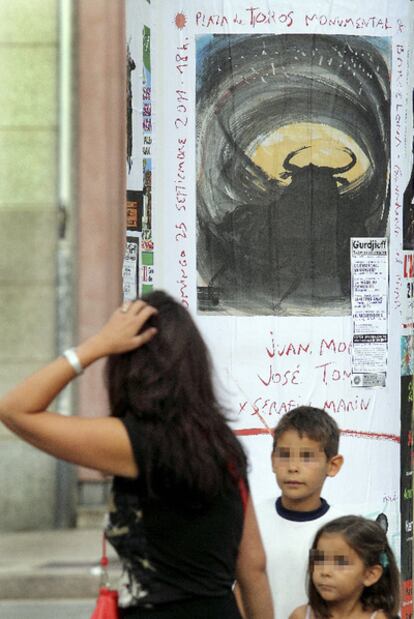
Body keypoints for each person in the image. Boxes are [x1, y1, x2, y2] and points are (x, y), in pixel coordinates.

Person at [0, 291, 273, 619]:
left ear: (128, 366)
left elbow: (15, 410)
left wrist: (97, 345)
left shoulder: (136, 441)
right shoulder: (222, 443)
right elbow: (253, 566)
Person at [255, 406, 344, 618]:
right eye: (284, 455)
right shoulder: (252, 520)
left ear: (332, 465)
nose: (293, 467)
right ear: (272, 460)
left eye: (307, 457)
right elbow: (239, 586)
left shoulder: (343, 530)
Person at [289, 515, 400, 619]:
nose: (325, 572)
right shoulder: (301, 616)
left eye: (340, 563)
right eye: (319, 560)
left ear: (370, 575)